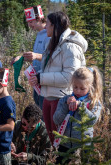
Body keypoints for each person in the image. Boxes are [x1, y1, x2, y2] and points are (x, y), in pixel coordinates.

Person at [29, 11, 87, 144]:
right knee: (53, 142)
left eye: (47, 24)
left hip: (61, 100)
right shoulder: (53, 44)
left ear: (54, 26)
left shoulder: (70, 47)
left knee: (61, 144)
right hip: (48, 98)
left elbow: (70, 78)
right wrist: (37, 78)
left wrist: (41, 78)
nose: (45, 27)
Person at [53, 67, 103, 164]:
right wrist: (65, 106)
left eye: (82, 88)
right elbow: (56, 119)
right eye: (75, 87)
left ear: (90, 86)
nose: (78, 91)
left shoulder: (94, 103)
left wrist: (81, 106)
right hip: (65, 143)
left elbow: (93, 120)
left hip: (84, 144)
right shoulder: (64, 100)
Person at [12, 5, 50, 110]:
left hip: (45, 80)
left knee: (44, 113)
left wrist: (36, 56)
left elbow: (53, 58)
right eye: (28, 22)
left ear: (38, 19)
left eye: (31, 22)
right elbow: (36, 57)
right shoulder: (39, 34)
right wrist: (22, 58)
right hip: (36, 80)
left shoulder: (49, 34)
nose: (29, 25)